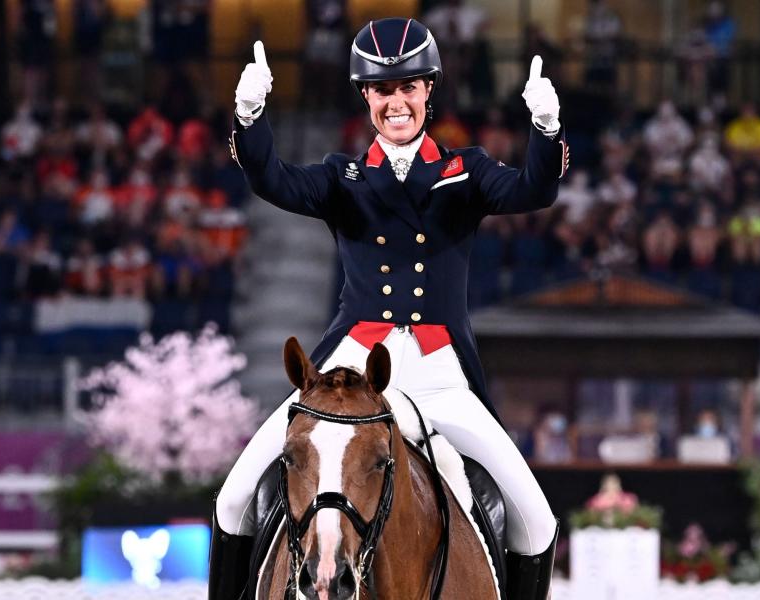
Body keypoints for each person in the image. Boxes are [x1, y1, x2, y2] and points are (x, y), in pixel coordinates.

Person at [210, 17, 567, 600]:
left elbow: (533, 189)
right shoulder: (342, 176)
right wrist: (250, 119)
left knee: (536, 518)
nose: (396, 102)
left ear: (428, 90)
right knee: (232, 498)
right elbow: (273, 179)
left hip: (439, 378)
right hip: (347, 376)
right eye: (382, 90)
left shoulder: (465, 171)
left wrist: (545, 130)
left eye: (408, 87)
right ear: (366, 97)